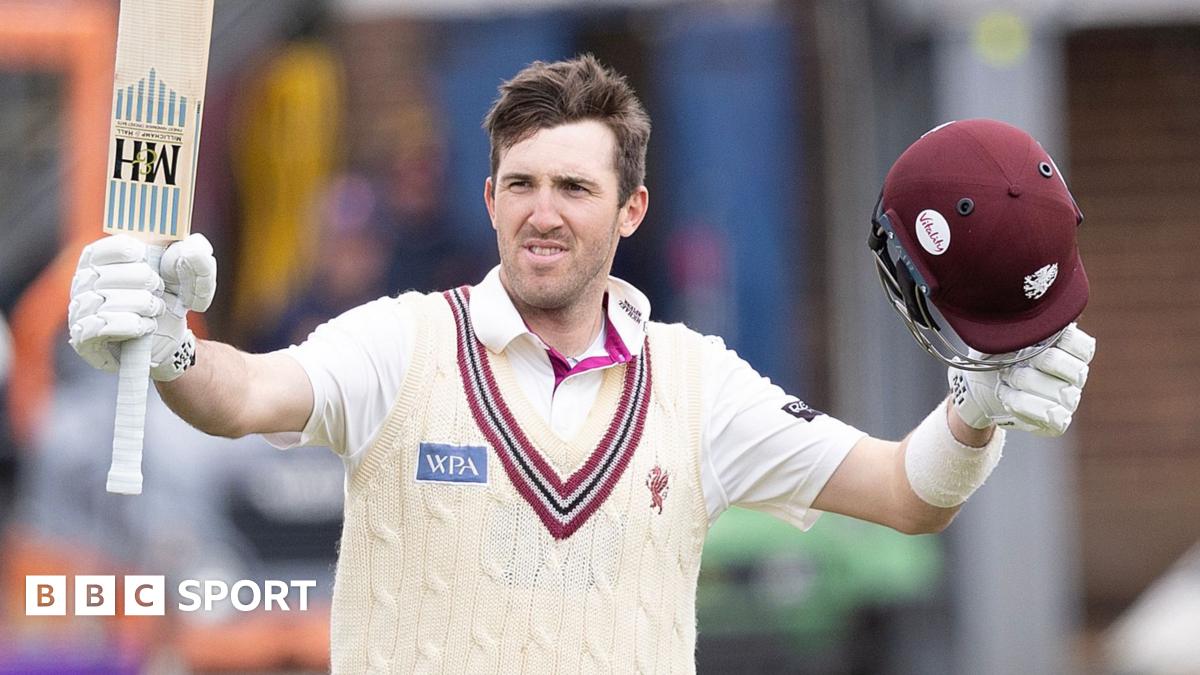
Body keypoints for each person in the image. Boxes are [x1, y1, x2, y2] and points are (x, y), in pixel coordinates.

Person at [67, 56, 1094, 672]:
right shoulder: (402, 342)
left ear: (631, 210)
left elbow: (905, 494)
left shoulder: (699, 384)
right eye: (519, 183)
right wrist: (170, 344)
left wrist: (977, 408)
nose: (542, 212)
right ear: (488, 199)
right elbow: (241, 395)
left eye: (573, 185)